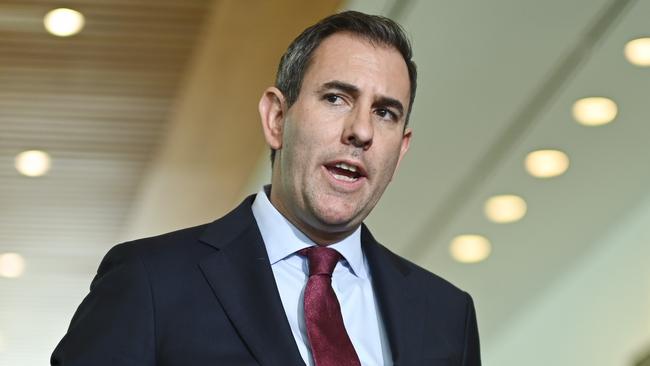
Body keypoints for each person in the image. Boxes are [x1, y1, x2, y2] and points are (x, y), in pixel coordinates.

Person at [51, 10, 480, 366]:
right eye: (335, 98)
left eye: (385, 112)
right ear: (277, 118)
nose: (361, 130)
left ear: (400, 150)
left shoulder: (446, 315)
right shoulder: (150, 281)